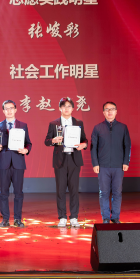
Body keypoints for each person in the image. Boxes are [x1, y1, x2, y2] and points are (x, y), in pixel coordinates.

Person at [44, 97, 89, 228]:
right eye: (64, 106)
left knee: (74, 190)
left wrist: (83, 145)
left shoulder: (78, 123)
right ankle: (62, 217)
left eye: (69, 106)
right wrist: (53, 140)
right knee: (60, 190)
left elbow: (85, 140)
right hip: (60, 160)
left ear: (73, 108)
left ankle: (74, 217)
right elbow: (46, 141)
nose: (66, 108)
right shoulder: (54, 123)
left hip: (74, 159)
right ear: (60, 108)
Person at [0, 100, 32, 228]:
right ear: (3, 111)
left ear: (15, 109)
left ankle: (18, 219)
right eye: (6, 109)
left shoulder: (23, 125)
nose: (9, 111)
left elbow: (28, 143)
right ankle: (5, 219)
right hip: (3, 162)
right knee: (3, 193)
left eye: (11, 108)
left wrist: (26, 150)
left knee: (18, 193)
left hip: (18, 162)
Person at [90, 102, 131, 224]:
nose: (109, 111)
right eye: (107, 109)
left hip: (119, 166)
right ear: (103, 112)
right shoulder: (98, 128)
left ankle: (115, 217)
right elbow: (93, 147)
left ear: (116, 111)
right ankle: (106, 218)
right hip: (103, 166)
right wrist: (95, 164)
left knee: (117, 192)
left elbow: (127, 146)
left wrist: (126, 162)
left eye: (112, 109)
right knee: (104, 193)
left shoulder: (123, 127)